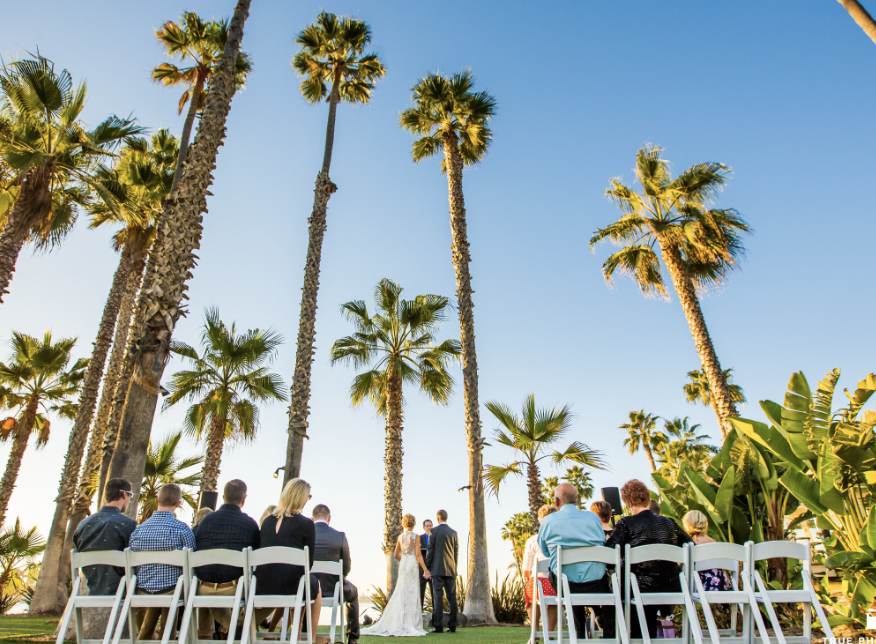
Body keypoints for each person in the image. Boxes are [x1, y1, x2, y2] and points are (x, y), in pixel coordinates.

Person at [606, 480, 692, 638]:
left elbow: (609, 557)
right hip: (671, 587)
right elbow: (690, 547)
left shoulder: (626, 523)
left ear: (626, 502)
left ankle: (637, 637)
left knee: (622, 587)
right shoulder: (669, 523)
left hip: (637, 589)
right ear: (646, 498)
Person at [538, 483, 612, 637]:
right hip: (596, 584)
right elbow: (602, 544)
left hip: (566, 585)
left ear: (557, 502)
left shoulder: (548, 521)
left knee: (564, 578)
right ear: (577, 500)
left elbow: (546, 552)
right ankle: (608, 629)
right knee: (589, 577)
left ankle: (578, 635)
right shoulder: (593, 518)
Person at [257, 479, 325, 644]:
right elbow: (307, 565)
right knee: (314, 586)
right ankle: (311, 639)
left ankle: (295, 633)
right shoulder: (306, 524)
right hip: (291, 586)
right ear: (301, 497)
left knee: (299, 581)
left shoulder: (267, 522)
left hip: (262, 586)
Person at [192, 480, 261, 639]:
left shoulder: (204, 523)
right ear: (244, 499)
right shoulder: (250, 525)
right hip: (235, 587)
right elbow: (255, 558)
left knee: (209, 582)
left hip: (204, 588)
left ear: (223, 497)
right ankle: (238, 627)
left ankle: (216, 632)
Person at [129, 484, 196, 640]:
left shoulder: (138, 530)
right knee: (174, 588)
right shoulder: (182, 529)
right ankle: (167, 637)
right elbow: (191, 560)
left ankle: (146, 637)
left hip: (142, 589)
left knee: (162, 590)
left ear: (157, 501)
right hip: (172, 589)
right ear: (178, 504)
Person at [362, 514, 429, 637]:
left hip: (404, 564)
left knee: (402, 591)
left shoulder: (400, 537)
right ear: (413, 523)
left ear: (404, 523)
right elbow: (419, 554)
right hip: (412, 564)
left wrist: (404, 560)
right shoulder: (416, 537)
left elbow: (396, 555)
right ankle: (411, 623)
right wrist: (425, 569)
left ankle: (400, 621)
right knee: (412, 591)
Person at [72, 478, 137, 595]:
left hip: (93, 589)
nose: (129, 500)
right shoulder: (128, 524)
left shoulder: (83, 524)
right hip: (121, 592)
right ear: (123, 494)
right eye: (130, 496)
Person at [312, 504, 360, 644]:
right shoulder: (339, 536)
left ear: (312, 518)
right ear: (329, 518)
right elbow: (346, 568)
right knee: (354, 592)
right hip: (334, 588)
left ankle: (305, 633)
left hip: (309, 589)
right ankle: (352, 638)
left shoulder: (305, 536)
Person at [522, 505, 558, 634]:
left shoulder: (533, 540)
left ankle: (535, 632)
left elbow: (526, 571)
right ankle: (550, 633)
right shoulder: (561, 539)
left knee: (531, 595)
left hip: (538, 585)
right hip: (557, 585)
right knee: (554, 600)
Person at [683, 510, 731, 602]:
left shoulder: (692, 545)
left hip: (705, 586)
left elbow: (683, 567)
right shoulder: (715, 543)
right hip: (723, 584)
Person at [426, 510, 459, 634]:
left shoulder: (433, 532)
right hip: (451, 570)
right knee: (452, 598)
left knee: (438, 598)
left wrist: (428, 567)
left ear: (438, 519)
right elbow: (456, 553)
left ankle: (438, 626)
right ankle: (453, 625)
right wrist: (454, 567)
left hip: (437, 570)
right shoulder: (453, 533)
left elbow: (430, 551)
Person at [418, 519, 433, 608]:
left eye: (430, 525)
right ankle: (420, 615)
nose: (429, 527)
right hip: (422, 570)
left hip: (433, 570)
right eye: (427, 526)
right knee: (420, 593)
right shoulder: (419, 538)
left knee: (434, 593)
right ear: (424, 527)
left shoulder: (435, 537)